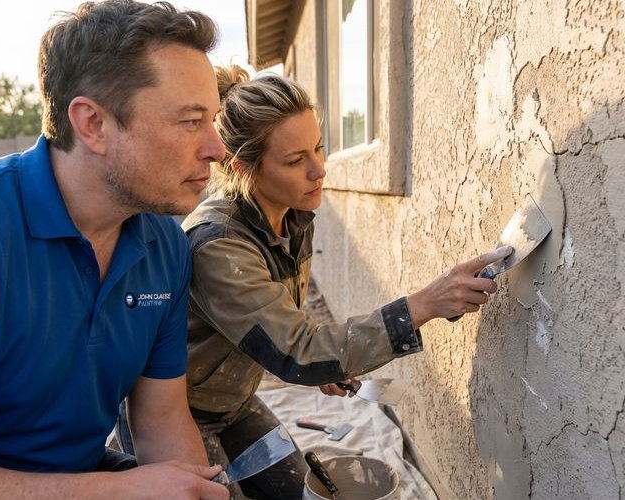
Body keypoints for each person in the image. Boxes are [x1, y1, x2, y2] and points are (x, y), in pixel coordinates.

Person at [0, 1, 230, 498]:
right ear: (92, 124)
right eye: (192, 121)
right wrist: (116, 491)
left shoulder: (165, 246)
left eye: (212, 120)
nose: (216, 147)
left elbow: (162, 420)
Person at [180, 66, 512, 499]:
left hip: (235, 401)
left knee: (298, 491)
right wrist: (424, 304)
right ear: (243, 169)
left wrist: (325, 366)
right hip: (182, 411)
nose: (319, 170)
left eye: (318, 148)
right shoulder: (218, 246)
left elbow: (285, 329)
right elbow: (296, 350)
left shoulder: (291, 216)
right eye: (296, 160)